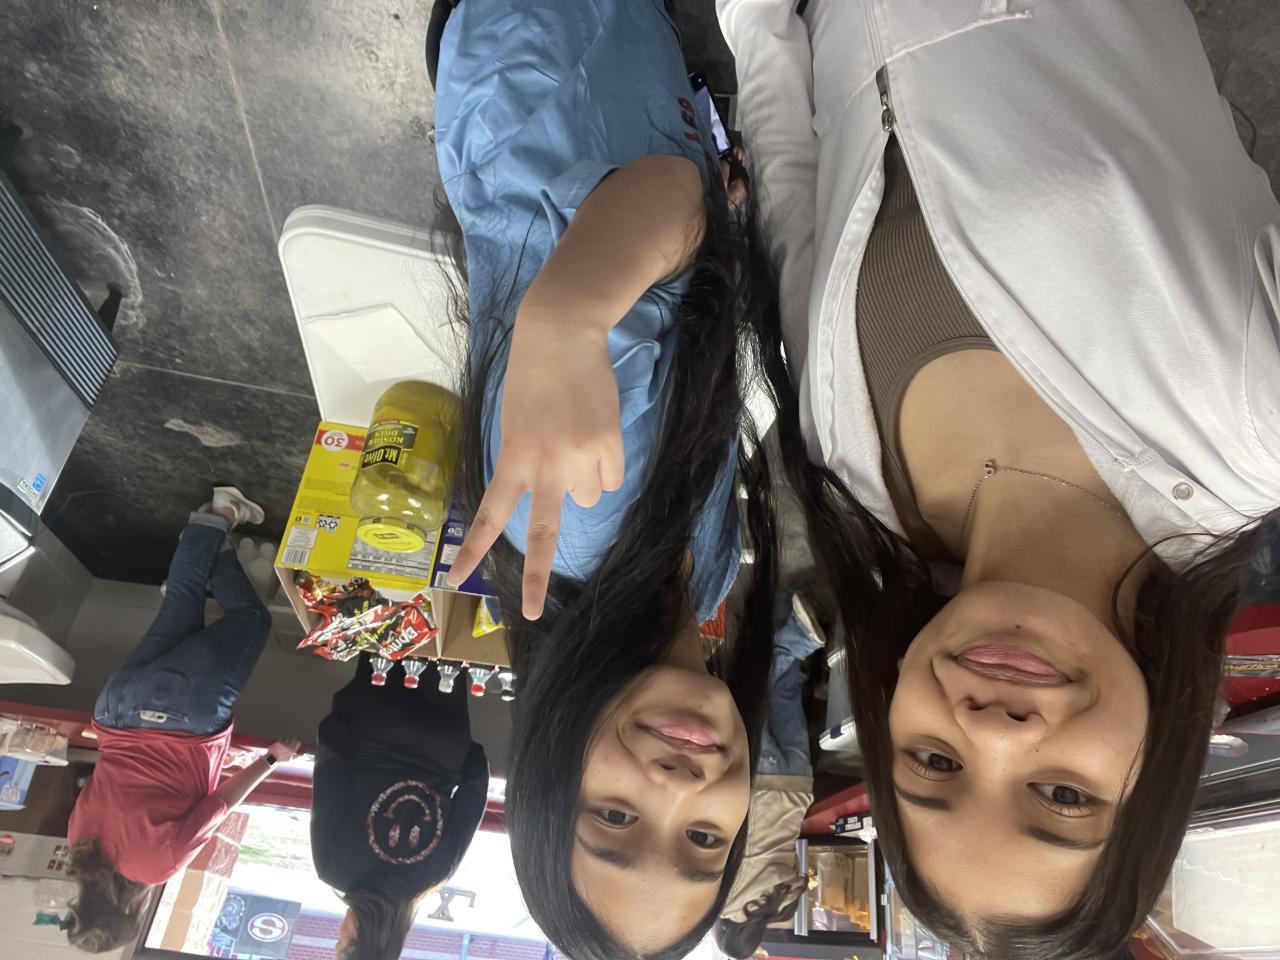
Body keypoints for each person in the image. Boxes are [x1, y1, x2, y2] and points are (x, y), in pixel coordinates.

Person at [715, 1, 1280, 958]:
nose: (997, 731)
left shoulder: (851, 464)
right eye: (1063, 794)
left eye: (934, 762)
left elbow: (790, 183)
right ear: (1156, 773)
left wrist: (751, 18)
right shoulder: (1250, 423)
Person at [428, 0, 787, 957]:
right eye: (703, 840)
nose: (676, 790)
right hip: (607, 89)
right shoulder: (694, 589)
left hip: (551, 54)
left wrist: (571, 316)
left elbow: (662, 197)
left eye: (616, 819)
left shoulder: (583, 515)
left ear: (555, 777)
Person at [66, 487, 299, 953]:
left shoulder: (155, 868)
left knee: (251, 621)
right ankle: (216, 519)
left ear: (131, 912)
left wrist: (272, 760)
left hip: (181, 719)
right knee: (181, 605)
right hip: (115, 709)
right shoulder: (79, 849)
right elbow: (116, 787)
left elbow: (219, 805)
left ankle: (219, 535)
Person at [310, 654, 489, 960]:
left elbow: (473, 795)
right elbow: (330, 777)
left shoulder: (434, 876)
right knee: (392, 634)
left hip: (442, 740)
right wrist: (339, 719)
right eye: (339, 943)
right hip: (373, 724)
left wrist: (457, 752)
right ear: (355, 939)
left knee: (450, 648)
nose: (338, 934)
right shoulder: (332, 868)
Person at [715, 594, 824, 959]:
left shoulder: (783, 904)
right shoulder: (724, 900)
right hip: (760, 786)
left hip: (798, 788)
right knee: (749, 694)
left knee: (783, 693)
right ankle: (797, 638)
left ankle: (781, 603)